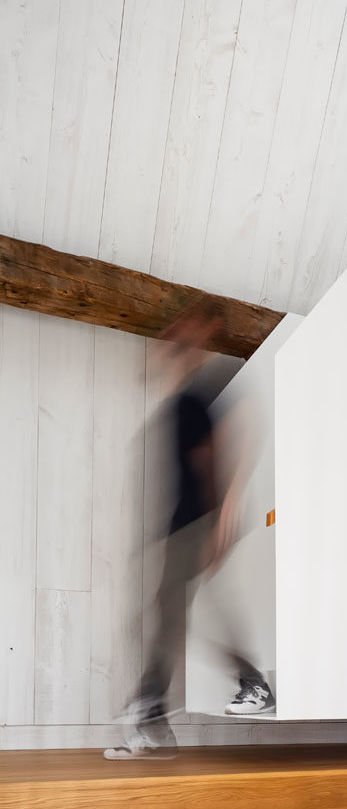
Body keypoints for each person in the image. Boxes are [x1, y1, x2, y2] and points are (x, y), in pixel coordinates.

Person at [104, 298, 274, 761]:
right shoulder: (182, 391)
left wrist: (226, 514)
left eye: (189, 327)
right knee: (167, 613)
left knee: (179, 613)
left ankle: (241, 686)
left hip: (198, 519)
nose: (177, 337)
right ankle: (155, 710)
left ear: (207, 328)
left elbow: (234, 443)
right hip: (178, 523)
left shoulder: (209, 387)